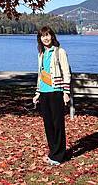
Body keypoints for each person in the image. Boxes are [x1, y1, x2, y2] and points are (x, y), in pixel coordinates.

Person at [32, 26, 72, 166]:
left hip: (56, 92)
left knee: (57, 124)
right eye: (43, 36)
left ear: (52, 36)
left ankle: (59, 155)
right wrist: (37, 93)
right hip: (44, 93)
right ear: (40, 39)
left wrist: (66, 92)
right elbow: (40, 74)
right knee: (48, 124)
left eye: (48, 35)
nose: (45, 38)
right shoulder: (41, 53)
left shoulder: (60, 52)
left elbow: (67, 73)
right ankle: (53, 152)